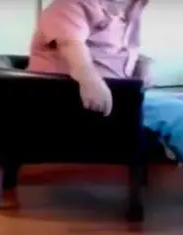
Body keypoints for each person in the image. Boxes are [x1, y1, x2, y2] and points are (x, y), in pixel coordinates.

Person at [28, 0, 183, 160]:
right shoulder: (71, 4)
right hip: (72, 100)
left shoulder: (129, 8)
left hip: (122, 93)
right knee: (179, 113)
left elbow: (110, 52)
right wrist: (90, 80)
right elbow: (70, 44)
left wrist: (142, 62)